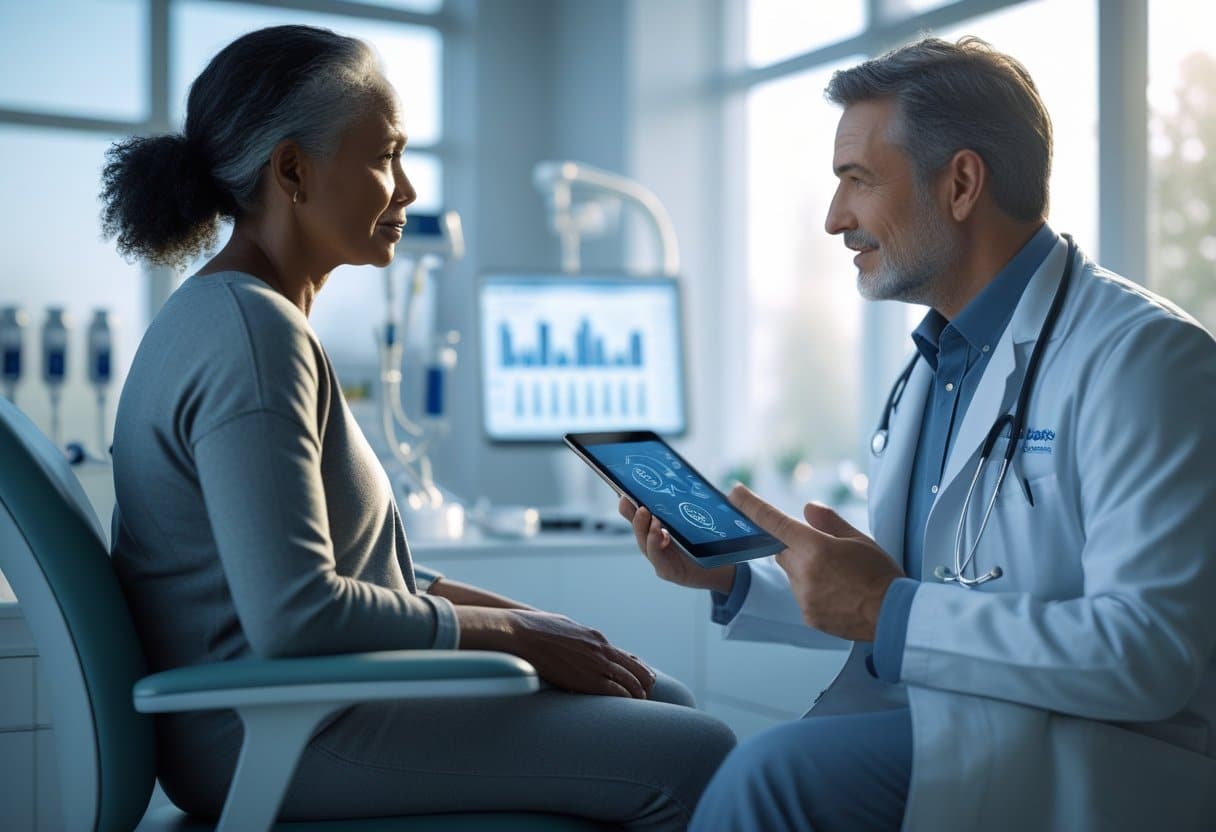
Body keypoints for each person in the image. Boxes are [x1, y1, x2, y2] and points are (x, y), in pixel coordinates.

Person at [100, 24, 734, 828]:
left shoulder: (230, 316)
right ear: (291, 171)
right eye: (384, 157)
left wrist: (552, 631)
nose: (405, 191)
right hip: (282, 730)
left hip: (302, 708)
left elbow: (363, 573)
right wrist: (522, 636)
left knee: (653, 690)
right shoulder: (251, 335)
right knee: (696, 753)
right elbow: (297, 616)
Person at [622, 36, 1216, 831]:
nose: (835, 219)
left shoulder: (1142, 357)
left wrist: (887, 610)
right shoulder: (938, 362)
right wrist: (735, 579)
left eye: (857, 181)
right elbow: (917, 590)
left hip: (1093, 752)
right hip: (955, 718)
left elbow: (1147, 654)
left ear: (961, 183)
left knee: (766, 779)